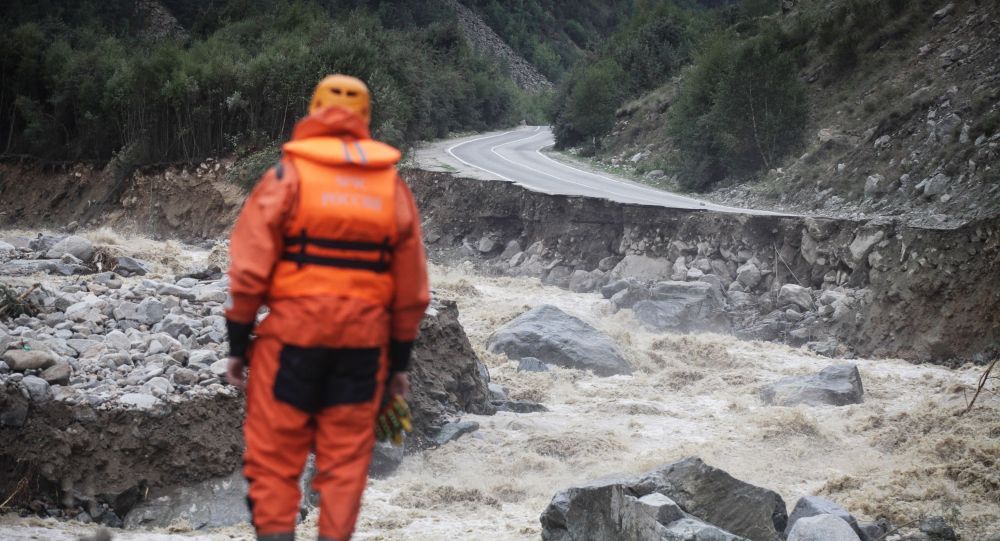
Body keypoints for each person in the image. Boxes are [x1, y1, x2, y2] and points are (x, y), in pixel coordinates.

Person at [223, 74, 430, 541]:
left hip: (291, 344)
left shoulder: (286, 177)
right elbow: (412, 292)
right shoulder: (391, 188)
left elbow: (248, 273)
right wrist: (398, 365)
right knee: (344, 466)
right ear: (366, 120)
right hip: (363, 349)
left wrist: (237, 346)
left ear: (313, 112)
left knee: (274, 461)